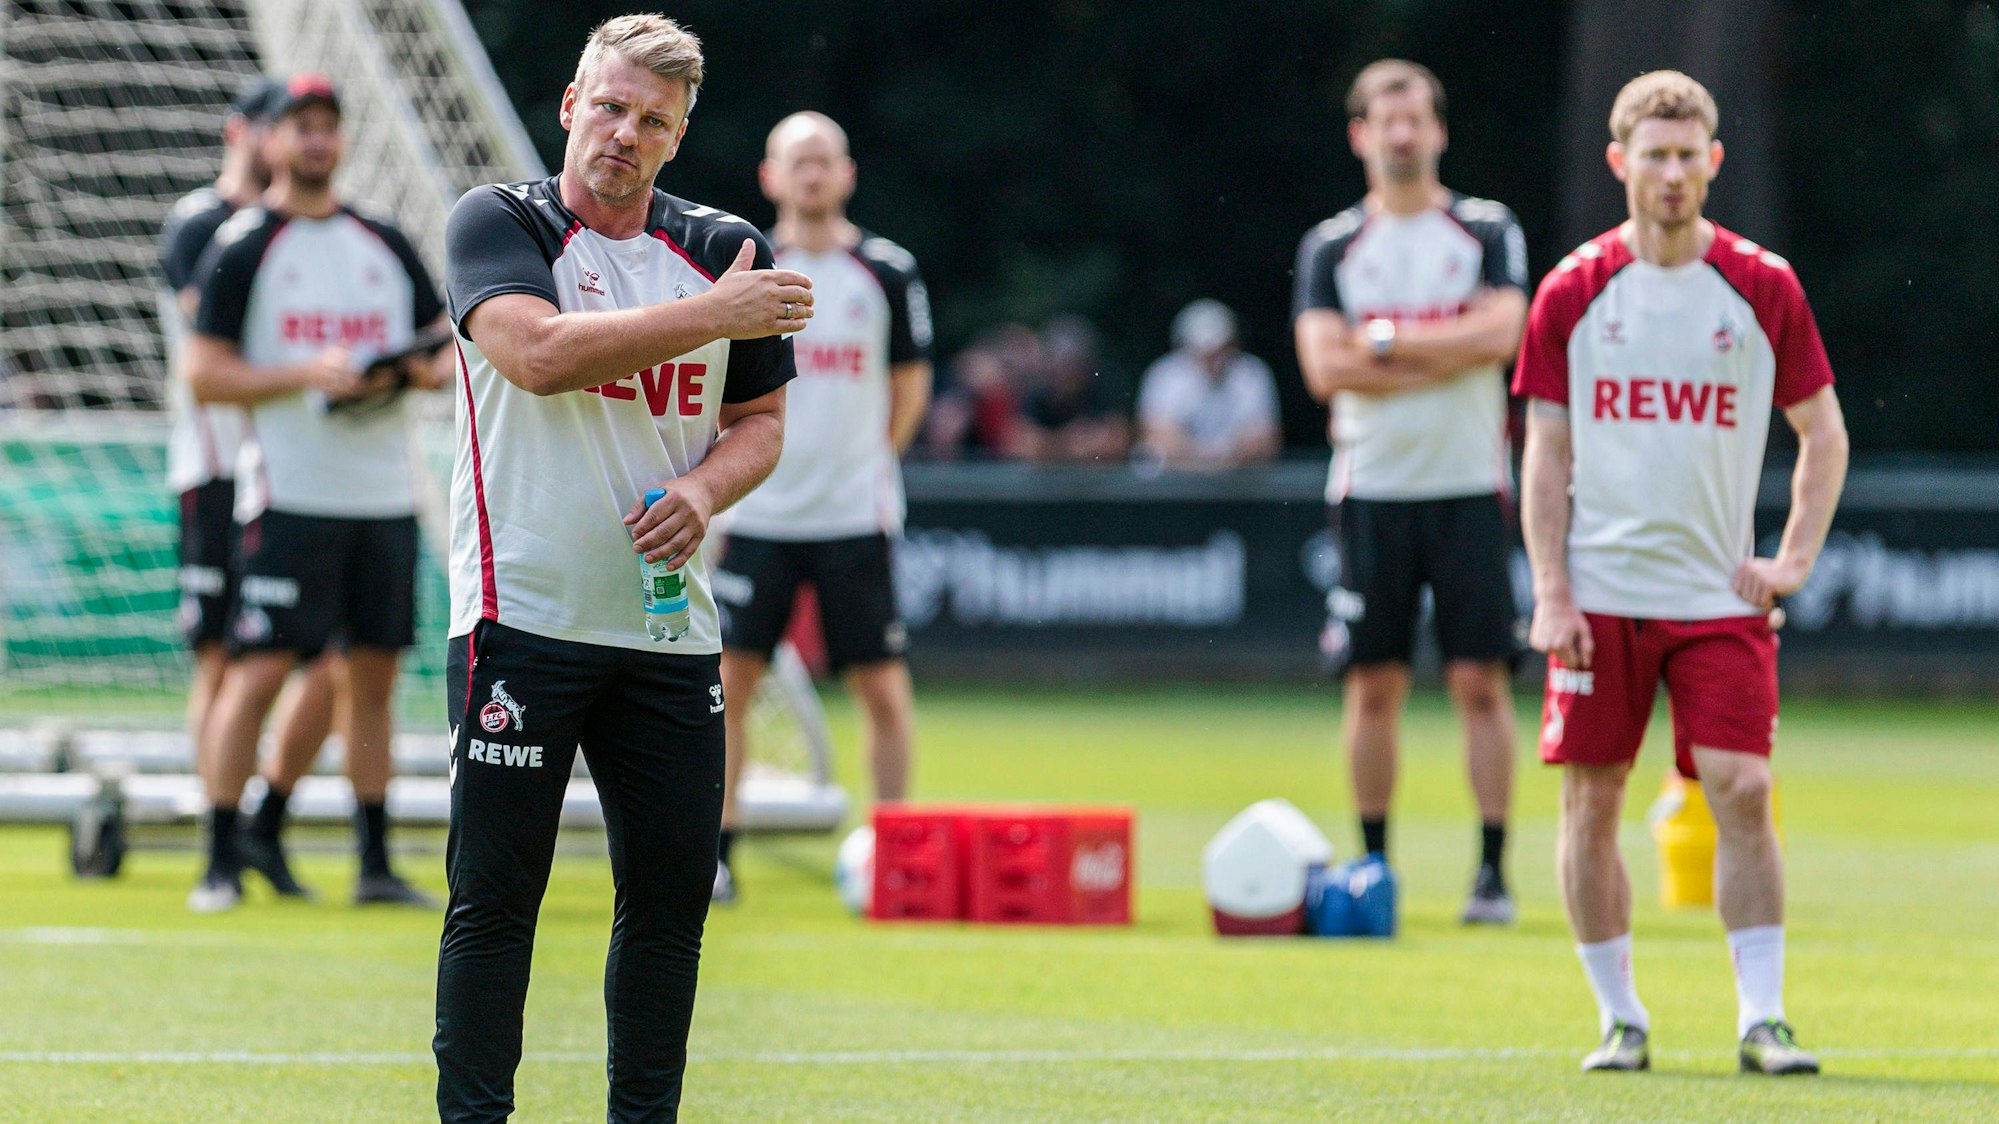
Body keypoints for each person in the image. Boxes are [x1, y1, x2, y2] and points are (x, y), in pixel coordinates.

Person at [433, 16, 805, 1119]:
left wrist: (699, 492)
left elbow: (761, 421)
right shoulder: (500, 221)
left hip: (664, 633)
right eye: (610, 107)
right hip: (522, 616)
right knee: (495, 899)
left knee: (669, 904)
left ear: (678, 136)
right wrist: (713, 313)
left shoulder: (721, 244)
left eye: (653, 120)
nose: (624, 134)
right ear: (568, 104)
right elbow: (536, 355)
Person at [1514, 70, 1847, 1074]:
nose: (1670, 172)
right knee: (1592, 798)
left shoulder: (1761, 284)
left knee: (1742, 787)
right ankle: (1619, 1016)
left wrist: (1791, 558)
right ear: (1619, 162)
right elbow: (1543, 450)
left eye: (1686, 153)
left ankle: (1761, 1016)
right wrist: (1550, 588)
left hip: (1717, 597)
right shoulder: (1573, 289)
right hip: (1599, 598)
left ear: (1713, 161)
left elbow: (1822, 434)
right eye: (1651, 155)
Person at [183, 73, 451, 912]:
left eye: (328, 126)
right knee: (257, 670)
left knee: (373, 677)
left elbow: (447, 354)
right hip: (289, 492)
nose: (316, 141)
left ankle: (373, 860)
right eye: (301, 125)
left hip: (383, 496)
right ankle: (221, 857)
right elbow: (204, 375)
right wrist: (309, 372)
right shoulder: (243, 244)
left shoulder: (382, 239)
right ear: (272, 139)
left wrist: (405, 372)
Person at [1291, 59, 1531, 924]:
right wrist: (1442, 348)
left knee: (1479, 683)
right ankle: (1375, 866)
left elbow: (1503, 335)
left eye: (1416, 118)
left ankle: (1492, 872)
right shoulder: (1332, 247)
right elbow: (1324, 366)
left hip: (1469, 485)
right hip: (1371, 490)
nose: (1402, 134)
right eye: (1386, 120)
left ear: (1438, 130)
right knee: (1373, 685)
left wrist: (1383, 346)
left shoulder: (1484, 229)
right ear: (1360, 134)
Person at [714, 111, 932, 902]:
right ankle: (719, 850)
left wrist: (869, 463)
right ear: (770, 177)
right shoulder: (739, 267)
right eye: (796, 162)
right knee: (728, 687)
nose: (811, 175)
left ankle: (899, 852)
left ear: (846, 175)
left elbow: (909, 384)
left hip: (852, 516)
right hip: (755, 516)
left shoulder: (886, 272)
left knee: (879, 686)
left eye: (824, 161)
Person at [158, 75, 338, 828]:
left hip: (298, 469)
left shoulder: (320, 231)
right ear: (244, 132)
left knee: (329, 661)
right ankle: (218, 829)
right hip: (218, 463)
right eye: (281, 125)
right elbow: (222, 328)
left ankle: (261, 811)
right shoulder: (203, 222)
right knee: (223, 656)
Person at [1136, 299, 1280, 470]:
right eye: (1206, 352)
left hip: (1240, 489)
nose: (1215, 359)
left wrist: (1203, 459)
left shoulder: (1252, 373)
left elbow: (1266, 441)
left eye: (1222, 348)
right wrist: (1214, 459)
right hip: (1176, 488)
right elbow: (1157, 438)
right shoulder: (1164, 375)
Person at [1016, 316, 1131, 464]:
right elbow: (1026, 447)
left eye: (1073, 365)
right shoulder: (1038, 389)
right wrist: (1069, 440)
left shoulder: (1105, 382)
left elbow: (1117, 444)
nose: (1067, 373)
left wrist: (1051, 444)